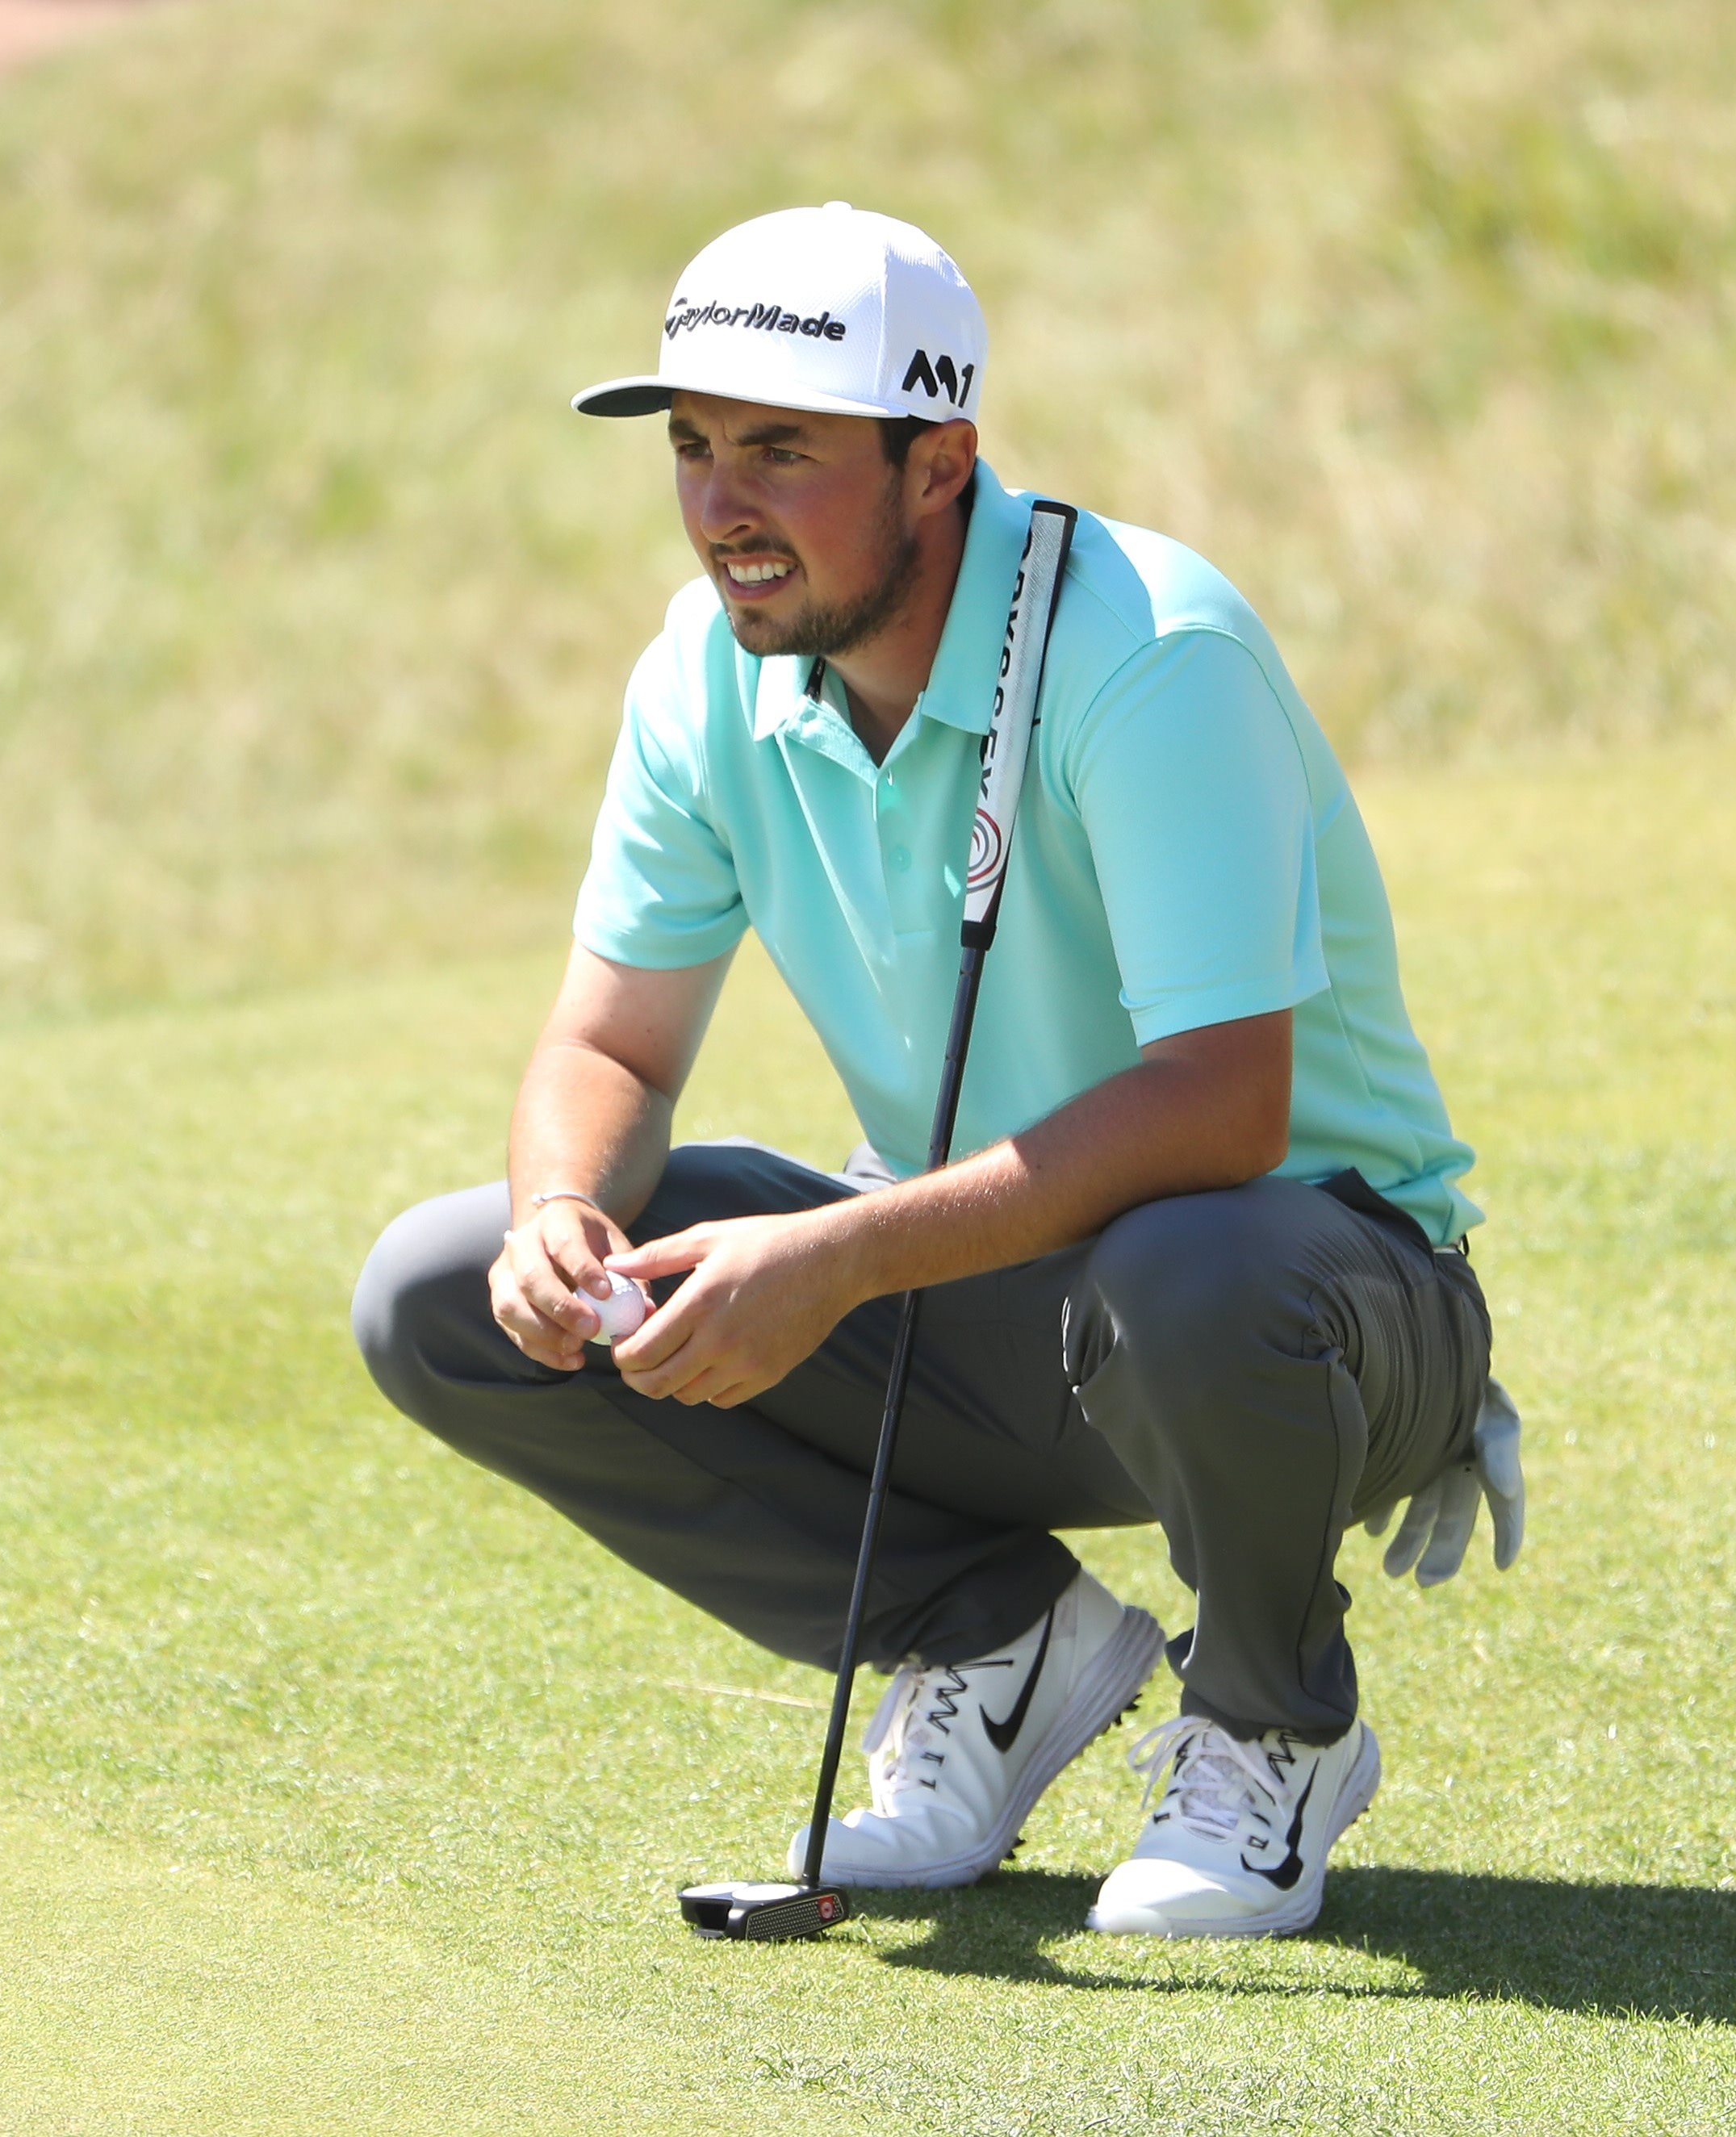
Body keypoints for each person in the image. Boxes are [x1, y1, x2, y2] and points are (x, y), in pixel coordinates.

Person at [353, 203, 1521, 1938]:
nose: (721, 506)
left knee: (1188, 1262)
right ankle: (990, 1632)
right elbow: (607, 1041)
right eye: (691, 449)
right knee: (440, 1291)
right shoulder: (697, 678)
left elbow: (1224, 1108)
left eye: (780, 450)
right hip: (995, 1305)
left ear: (938, 462)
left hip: (1312, 1296)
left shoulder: (1148, 651)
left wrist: (840, 1252)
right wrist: (558, 1213)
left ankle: (1275, 1720)